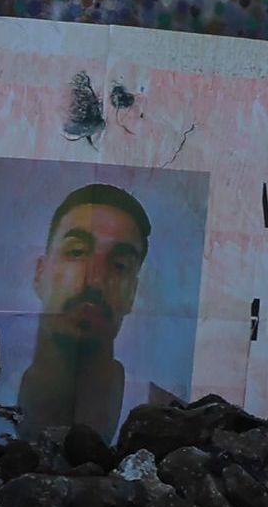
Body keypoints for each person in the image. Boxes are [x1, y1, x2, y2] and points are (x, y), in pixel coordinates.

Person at [8, 182, 157, 446]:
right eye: (76, 253)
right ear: (40, 273)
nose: (95, 280)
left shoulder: (163, 415)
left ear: (132, 293)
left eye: (120, 265)